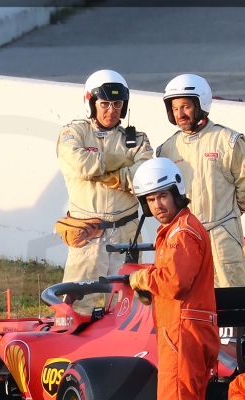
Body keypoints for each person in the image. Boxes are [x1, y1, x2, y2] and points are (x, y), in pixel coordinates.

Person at [127, 158, 221, 400]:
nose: (157, 205)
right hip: (192, 326)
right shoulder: (184, 228)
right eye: (150, 200)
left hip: (181, 329)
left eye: (162, 196)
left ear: (177, 191)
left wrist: (141, 278)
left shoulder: (182, 232)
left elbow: (174, 282)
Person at [57, 69, 153, 314]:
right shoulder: (74, 132)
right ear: (91, 103)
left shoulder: (137, 139)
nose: (112, 111)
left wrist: (102, 169)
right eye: (105, 104)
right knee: (77, 306)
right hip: (89, 233)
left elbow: (143, 176)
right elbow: (80, 164)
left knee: (128, 307)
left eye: (118, 104)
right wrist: (122, 163)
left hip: (127, 234)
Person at [156, 74, 245, 288]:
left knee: (232, 302)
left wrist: (226, 215)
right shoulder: (167, 150)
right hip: (184, 236)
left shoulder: (228, 141)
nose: (180, 114)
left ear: (201, 104)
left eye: (185, 107)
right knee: (188, 300)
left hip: (222, 235)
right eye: (175, 109)